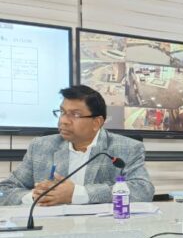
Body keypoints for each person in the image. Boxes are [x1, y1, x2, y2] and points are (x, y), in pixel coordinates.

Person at [0, 85, 154, 206]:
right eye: (62, 112)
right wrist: (35, 197)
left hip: (101, 230)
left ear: (97, 123)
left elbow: (142, 191)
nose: (63, 121)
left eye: (75, 114)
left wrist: (77, 194)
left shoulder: (127, 148)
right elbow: (4, 190)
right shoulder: (41, 147)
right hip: (50, 229)